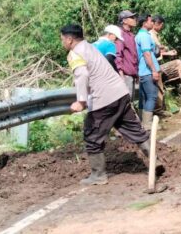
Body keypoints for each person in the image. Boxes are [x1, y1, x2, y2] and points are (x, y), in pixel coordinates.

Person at [60, 24, 151, 186]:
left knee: (92, 135)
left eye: (62, 39)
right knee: (133, 129)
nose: (62, 43)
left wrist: (81, 101)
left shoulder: (75, 53)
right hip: (121, 93)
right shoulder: (90, 47)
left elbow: (82, 74)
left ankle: (98, 175)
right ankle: (154, 161)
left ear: (69, 39)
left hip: (104, 98)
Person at [135, 14, 161, 129]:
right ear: (144, 23)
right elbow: (147, 54)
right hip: (147, 71)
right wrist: (154, 70)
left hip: (143, 71)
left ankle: (142, 122)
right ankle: (148, 123)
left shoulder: (140, 35)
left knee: (144, 97)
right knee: (151, 96)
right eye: (151, 21)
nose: (152, 22)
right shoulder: (144, 36)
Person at [115, 10, 139, 100]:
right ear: (124, 21)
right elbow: (118, 55)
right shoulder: (120, 34)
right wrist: (121, 74)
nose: (134, 19)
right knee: (126, 103)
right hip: (125, 75)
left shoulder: (131, 35)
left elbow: (133, 56)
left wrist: (136, 74)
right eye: (131, 18)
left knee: (130, 102)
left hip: (131, 75)